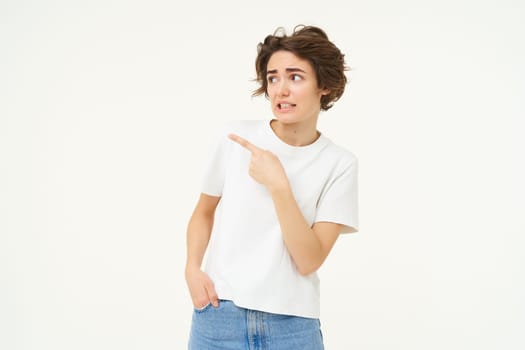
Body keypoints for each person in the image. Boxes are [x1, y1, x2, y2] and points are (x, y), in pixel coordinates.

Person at [185, 25, 358, 349]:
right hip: (219, 316)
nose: (280, 89)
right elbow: (203, 211)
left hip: (292, 327)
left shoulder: (339, 164)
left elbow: (309, 260)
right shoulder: (235, 139)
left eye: (295, 77)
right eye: (273, 77)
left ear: (324, 85)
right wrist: (192, 268)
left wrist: (279, 185)